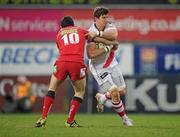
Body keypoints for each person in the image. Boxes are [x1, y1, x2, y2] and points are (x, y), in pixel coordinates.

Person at [35, 16, 89, 128]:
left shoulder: (59, 34)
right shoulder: (80, 30)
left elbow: (60, 48)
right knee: (79, 92)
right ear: (73, 24)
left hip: (61, 62)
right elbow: (92, 36)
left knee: (52, 88)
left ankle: (43, 118)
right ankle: (69, 121)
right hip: (77, 63)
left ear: (61, 26)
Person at [87, 6, 133, 126]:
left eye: (107, 17)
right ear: (96, 18)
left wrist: (97, 35)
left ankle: (102, 98)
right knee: (114, 93)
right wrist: (108, 46)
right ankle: (125, 119)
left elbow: (114, 36)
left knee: (122, 90)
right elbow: (91, 54)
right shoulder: (90, 29)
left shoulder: (105, 27)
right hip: (98, 67)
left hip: (111, 63)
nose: (106, 20)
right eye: (103, 17)